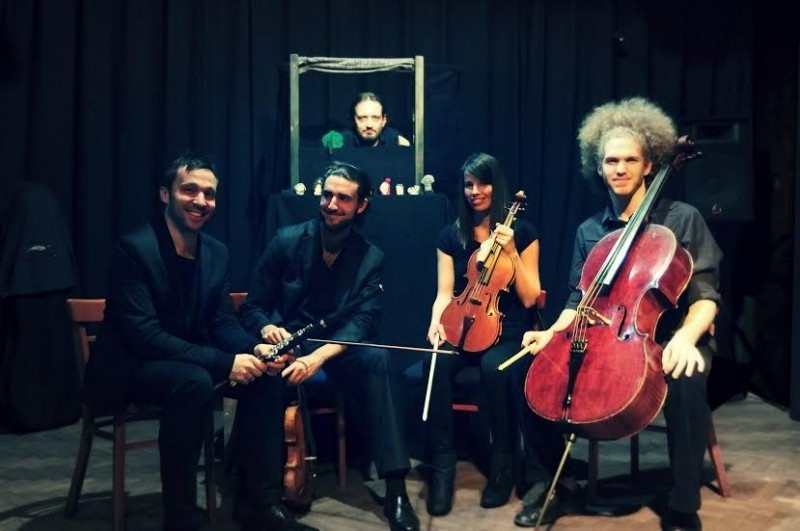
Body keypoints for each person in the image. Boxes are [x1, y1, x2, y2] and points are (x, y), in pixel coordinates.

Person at [513, 97, 722, 531]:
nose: (620, 168)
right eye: (612, 160)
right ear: (599, 166)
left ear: (649, 165)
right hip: (609, 337)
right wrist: (550, 334)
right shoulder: (590, 230)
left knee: (686, 381)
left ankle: (683, 503)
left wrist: (686, 338)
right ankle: (553, 484)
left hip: (672, 335)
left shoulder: (682, 219)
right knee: (537, 375)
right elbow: (578, 301)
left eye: (630, 160)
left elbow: (706, 296)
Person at [84, 153, 317, 531]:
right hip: (129, 368)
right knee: (192, 381)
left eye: (209, 194)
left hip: (187, 362)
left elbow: (221, 321)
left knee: (265, 374)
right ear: (165, 194)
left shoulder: (215, 252)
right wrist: (226, 363)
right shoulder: (134, 248)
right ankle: (180, 516)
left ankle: (260, 505)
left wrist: (253, 349)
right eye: (189, 190)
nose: (201, 200)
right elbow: (144, 337)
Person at [238, 161, 420, 531]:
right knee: (263, 373)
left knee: (380, 360)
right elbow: (253, 306)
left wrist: (319, 357)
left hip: (336, 348)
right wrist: (268, 327)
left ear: (361, 205)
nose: (332, 205)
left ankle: (396, 488)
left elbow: (364, 321)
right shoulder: (287, 240)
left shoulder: (371, 257)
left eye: (343, 198)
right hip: (289, 342)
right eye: (327, 195)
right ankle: (262, 498)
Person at [425, 153, 542, 515]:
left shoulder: (523, 232)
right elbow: (445, 293)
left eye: (482, 183)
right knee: (435, 364)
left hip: (507, 329)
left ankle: (503, 462)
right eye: (468, 184)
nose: (475, 191)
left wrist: (512, 252)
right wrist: (435, 322)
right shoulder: (450, 235)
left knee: (495, 368)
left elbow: (530, 297)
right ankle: (442, 467)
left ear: (497, 185)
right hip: (463, 324)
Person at [322, 92, 411, 149]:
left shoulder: (396, 141)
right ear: (353, 120)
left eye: (375, 118)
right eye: (362, 118)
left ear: (384, 120)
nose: (369, 125)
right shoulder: (341, 141)